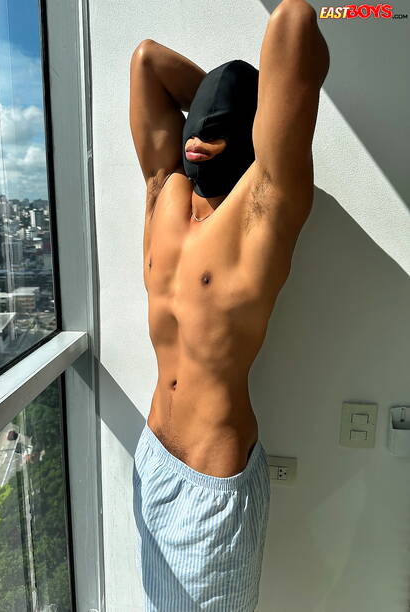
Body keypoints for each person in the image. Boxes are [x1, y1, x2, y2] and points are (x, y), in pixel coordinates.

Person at [130, 0, 330, 609]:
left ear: (250, 132)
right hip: (151, 458)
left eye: (221, 129)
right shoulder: (164, 192)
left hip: (212, 488)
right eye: (196, 124)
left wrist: (244, 115)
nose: (198, 138)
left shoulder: (265, 208)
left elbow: (294, 21)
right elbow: (147, 62)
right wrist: (221, 100)